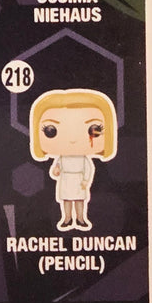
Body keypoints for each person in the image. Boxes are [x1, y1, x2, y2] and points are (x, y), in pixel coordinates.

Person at [28, 89, 118, 231]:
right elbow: (56, 169)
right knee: (67, 200)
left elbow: (88, 169)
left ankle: (81, 219)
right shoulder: (61, 158)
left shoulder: (83, 158)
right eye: (51, 130)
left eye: (93, 129)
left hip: (78, 180)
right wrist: (56, 171)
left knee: (79, 201)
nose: (72, 139)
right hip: (66, 180)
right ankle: (67, 218)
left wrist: (85, 180)